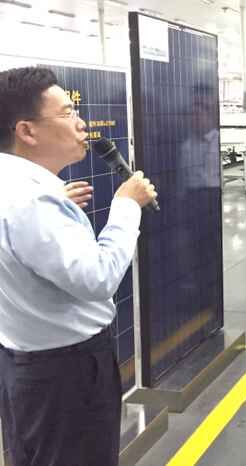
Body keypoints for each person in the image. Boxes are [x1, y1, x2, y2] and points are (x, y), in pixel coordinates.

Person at [0, 67, 158, 466]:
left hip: (23, 364)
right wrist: (126, 205)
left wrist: (53, 213)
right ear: (27, 131)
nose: (81, 123)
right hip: (66, 373)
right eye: (67, 112)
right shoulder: (33, 202)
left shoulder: (21, 191)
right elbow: (98, 278)